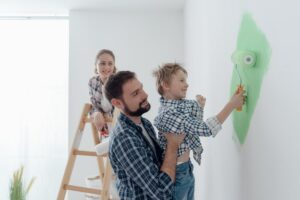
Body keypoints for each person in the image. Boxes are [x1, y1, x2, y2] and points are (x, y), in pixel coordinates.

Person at [153, 63, 245, 200]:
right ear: (166, 85)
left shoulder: (180, 106)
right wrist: (231, 105)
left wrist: (199, 108)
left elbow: (192, 129)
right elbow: (205, 129)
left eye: (186, 80)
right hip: (177, 173)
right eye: (182, 80)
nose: (187, 84)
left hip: (186, 168)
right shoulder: (168, 114)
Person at [104, 71, 186, 199]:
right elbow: (161, 193)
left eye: (141, 88)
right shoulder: (125, 139)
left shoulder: (145, 123)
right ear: (117, 103)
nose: (145, 95)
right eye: (135, 93)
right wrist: (173, 145)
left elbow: (159, 165)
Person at [88, 49, 117, 137]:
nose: (106, 67)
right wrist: (97, 113)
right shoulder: (92, 82)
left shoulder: (118, 82)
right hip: (103, 122)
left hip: (117, 121)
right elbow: (94, 105)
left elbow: (120, 107)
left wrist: (105, 116)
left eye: (110, 64)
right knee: (102, 147)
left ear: (114, 66)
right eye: (102, 63)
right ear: (96, 66)